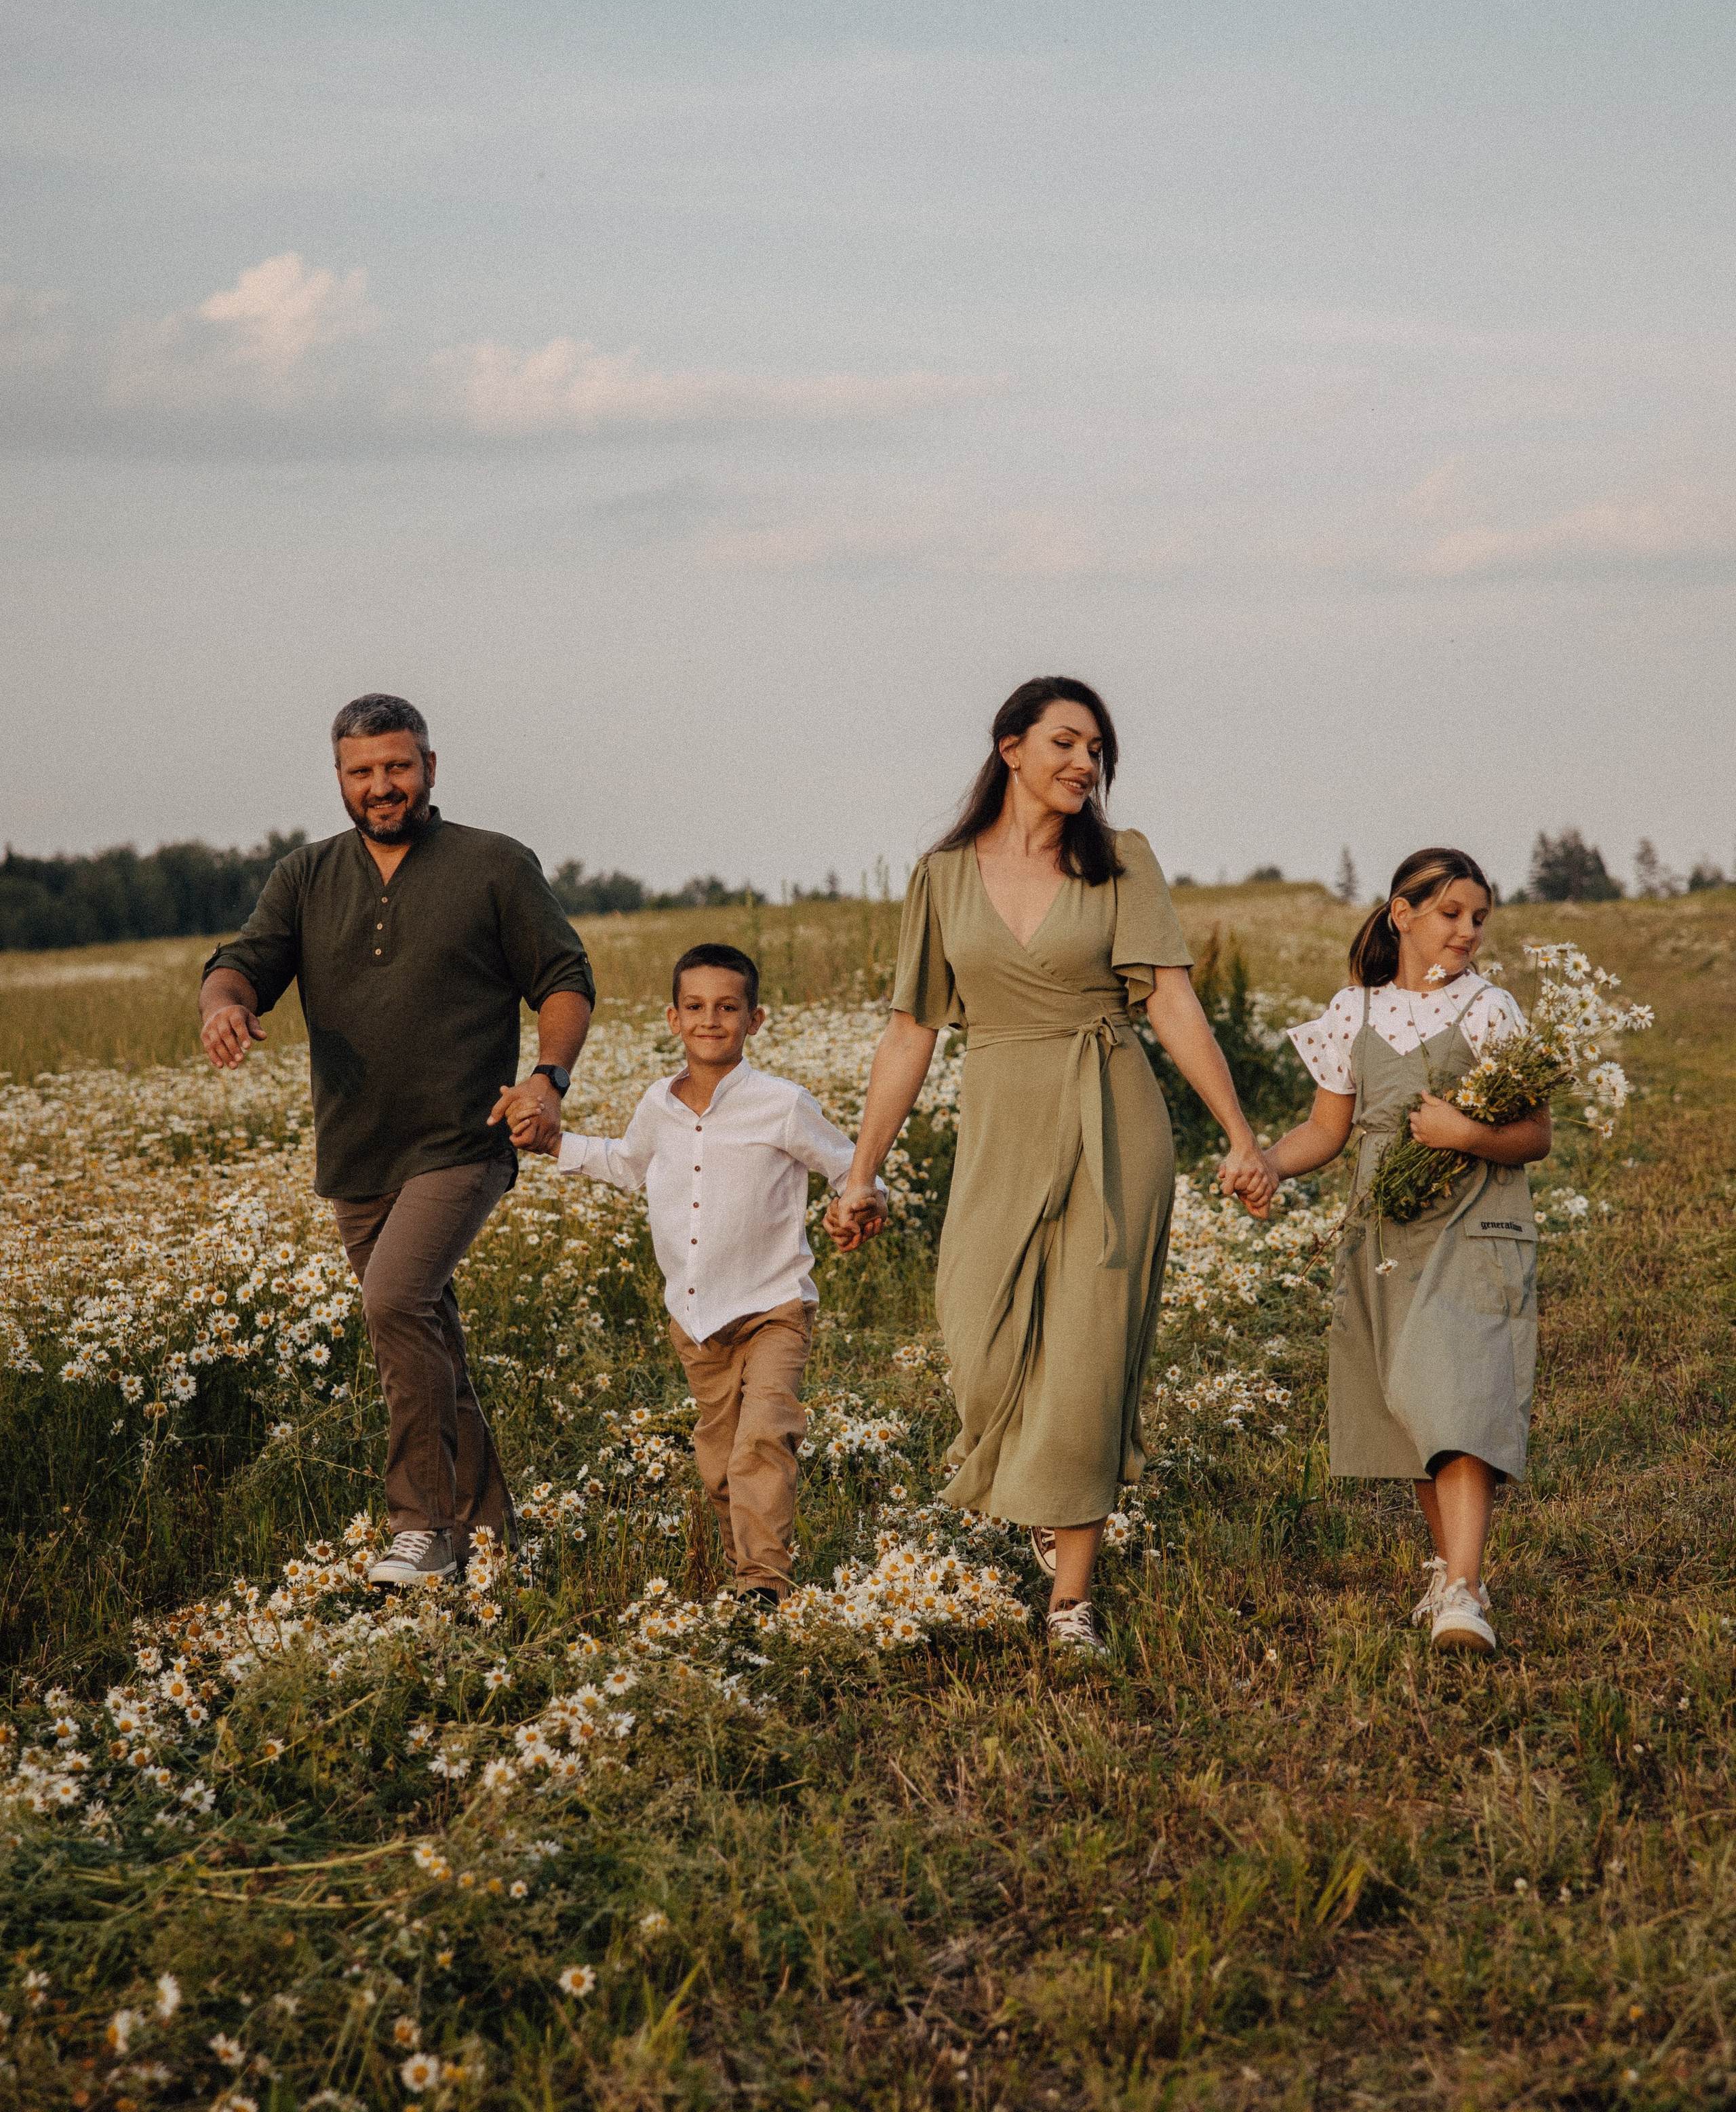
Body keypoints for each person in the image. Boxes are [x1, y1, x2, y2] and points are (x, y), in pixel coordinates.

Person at [825, 676, 1275, 1659]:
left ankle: (1071, 1596)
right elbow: (911, 1030)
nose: (1084, 764)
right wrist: (861, 1172)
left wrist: (1241, 1137)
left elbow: (1171, 1003)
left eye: (1098, 752)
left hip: (1113, 1112)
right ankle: (1043, 1481)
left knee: (1086, 1357)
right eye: (1067, 743)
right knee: (978, 1337)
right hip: (1000, 1115)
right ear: (1011, 747)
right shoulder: (943, 876)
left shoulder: (1122, 863)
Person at [199, 695, 595, 1589]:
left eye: (398, 766)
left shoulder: (493, 865)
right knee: (425, 1342)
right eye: (362, 771)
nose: (382, 786)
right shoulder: (305, 876)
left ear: (430, 766)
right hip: (357, 1154)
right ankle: (495, 1544)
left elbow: (565, 977)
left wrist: (549, 1077)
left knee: (394, 1304)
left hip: (465, 1140)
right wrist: (226, 1005)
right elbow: (244, 962)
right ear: (340, 776)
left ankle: (422, 1528)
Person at [519, 943, 881, 1604]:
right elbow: (627, 1163)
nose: (710, 1020)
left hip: (775, 1306)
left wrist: (859, 1198)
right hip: (695, 1317)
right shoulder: (658, 1103)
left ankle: (761, 1583)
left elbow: (849, 1165)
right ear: (672, 1018)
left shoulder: (782, 1102)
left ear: (755, 1019)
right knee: (718, 1466)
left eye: (727, 1008)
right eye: (695, 1007)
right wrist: (554, 1144)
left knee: (763, 1442)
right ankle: (746, 1561)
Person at [1262, 847, 1550, 1656]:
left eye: (1479, 918)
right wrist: (1264, 1163)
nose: (1467, 932)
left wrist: (1467, 1134)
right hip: (1384, 1230)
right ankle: (1455, 1573)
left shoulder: (1492, 1009)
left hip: (1474, 1220)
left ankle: (1462, 1590)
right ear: (1402, 913)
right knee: (1411, 1399)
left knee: (1457, 1387)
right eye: (1451, 914)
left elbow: (1536, 1136)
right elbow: (1326, 1130)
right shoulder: (1352, 1011)